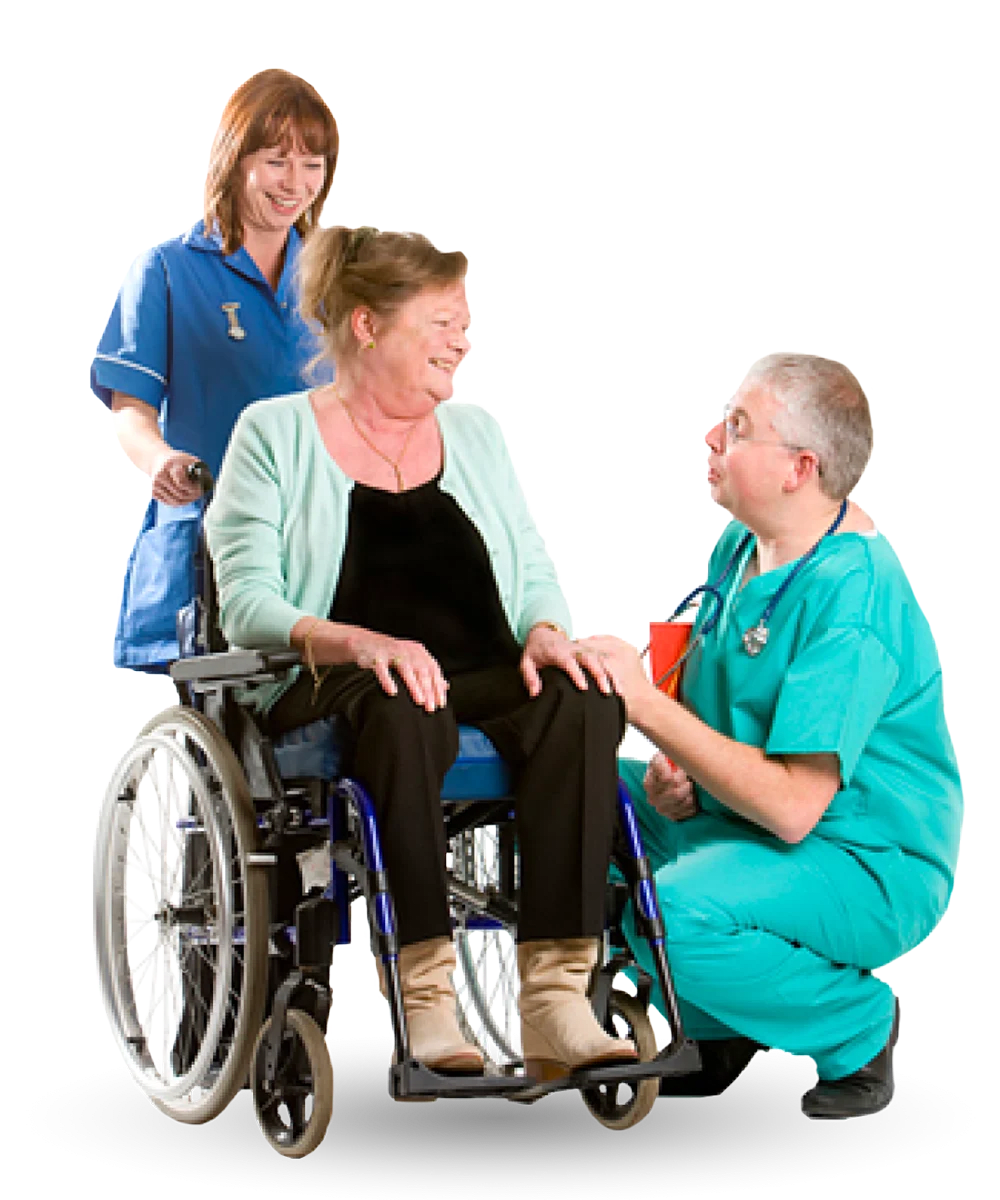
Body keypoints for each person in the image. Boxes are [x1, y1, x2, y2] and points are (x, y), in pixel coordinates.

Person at [204, 226, 639, 1080]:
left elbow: (532, 568)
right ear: (367, 326)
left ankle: (556, 1003)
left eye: (465, 323)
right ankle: (429, 1001)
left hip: (477, 670)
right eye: (442, 322)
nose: (463, 341)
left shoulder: (475, 436)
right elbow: (247, 601)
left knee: (585, 699)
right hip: (336, 681)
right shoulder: (274, 434)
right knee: (403, 703)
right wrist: (361, 643)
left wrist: (547, 630)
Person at [580, 354, 963, 1120]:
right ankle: (717, 1026)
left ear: (800, 467)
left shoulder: (855, 598)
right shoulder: (742, 549)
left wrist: (649, 711)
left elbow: (793, 807)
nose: (713, 437)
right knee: (571, 788)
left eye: (740, 428)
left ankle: (858, 1029)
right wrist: (669, 769)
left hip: (862, 858)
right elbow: (715, 703)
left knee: (678, 915)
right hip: (736, 820)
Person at [90, 67, 339, 672]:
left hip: (325, 533)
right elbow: (130, 410)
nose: (296, 183)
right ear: (236, 159)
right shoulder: (168, 269)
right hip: (216, 531)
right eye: (278, 160)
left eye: (314, 164)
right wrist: (158, 461)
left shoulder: (335, 278)